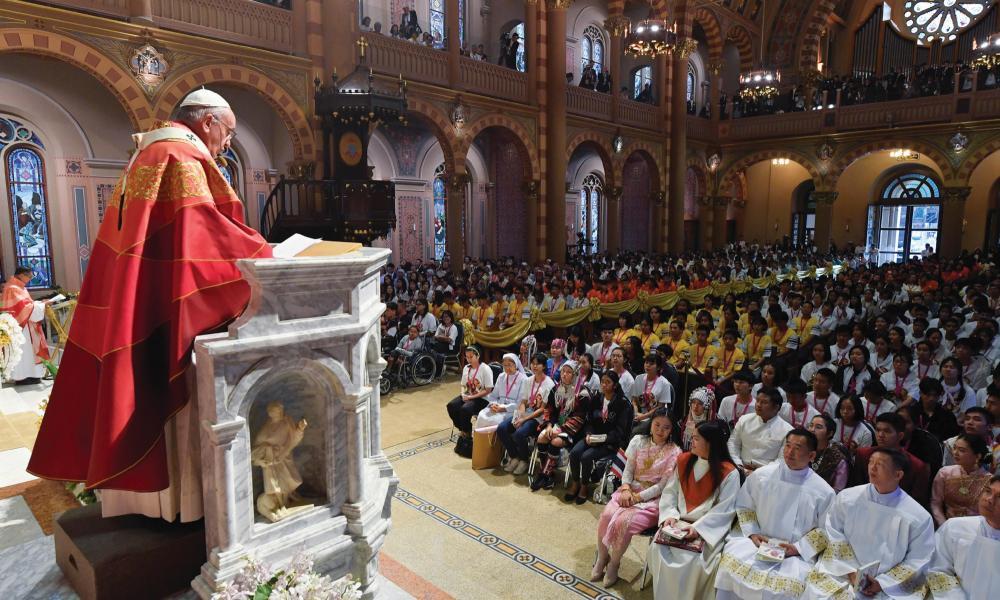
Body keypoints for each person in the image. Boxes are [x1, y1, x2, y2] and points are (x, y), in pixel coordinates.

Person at [28, 89, 273, 522]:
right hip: (166, 301)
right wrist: (265, 255)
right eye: (229, 132)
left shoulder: (152, 151)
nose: (229, 142)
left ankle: (147, 504)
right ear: (208, 122)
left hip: (143, 295)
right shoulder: (181, 157)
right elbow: (208, 238)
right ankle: (179, 508)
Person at [715, 429, 836, 600]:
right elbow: (744, 505)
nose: (790, 452)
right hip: (756, 543)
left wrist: (798, 548)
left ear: (811, 455)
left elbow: (826, 530)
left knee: (785, 589)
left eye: (797, 448)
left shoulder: (823, 491)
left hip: (794, 554)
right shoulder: (762, 475)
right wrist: (753, 533)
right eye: (787, 446)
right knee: (730, 569)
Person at [806, 448, 935, 599]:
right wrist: (850, 570)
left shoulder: (918, 516)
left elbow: (919, 558)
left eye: (880, 464)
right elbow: (833, 531)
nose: (872, 468)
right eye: (871, 462)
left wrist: (882, 583)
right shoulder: (848, 498)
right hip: (842, 571)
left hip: (887, 584)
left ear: (898, 474)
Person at [648, 419, 740, 600]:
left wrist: (697, 529)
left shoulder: (729, 473)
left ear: (711, 443)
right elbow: (670, 493)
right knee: (658, 549)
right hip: (676, 524)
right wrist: (669, 516)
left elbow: (724, 511)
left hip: (705, 531)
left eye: (697, 438)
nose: (691, 441)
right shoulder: (684, 461)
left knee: (693, 562)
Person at [593, 409, 681, 586]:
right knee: (607, 515)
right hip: (628, 490)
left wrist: (638, 498)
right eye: (657, 425)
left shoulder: (675, 452)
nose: (660, 430)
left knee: (622, 522)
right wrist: (625, 488)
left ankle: (614, 565)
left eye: (666, 427)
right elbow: (628, 469)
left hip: (653, 500)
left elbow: (662, 485)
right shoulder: (638, 441)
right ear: (650, 424)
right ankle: (602, 557)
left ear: (671, 430)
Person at [926, 475, 1000, 598]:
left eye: (999, 497)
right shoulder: (955, 528)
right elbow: (937, 569)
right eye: (988, 491)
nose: (989, 499)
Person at [566, 370, 631, 504]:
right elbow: (588, 420)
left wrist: (603, 438)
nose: (604, 385)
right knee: (574, 453)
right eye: (602, 382)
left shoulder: (622, 404)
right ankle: (575, 483)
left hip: (610, 443)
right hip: (592, 437)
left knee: (586, 457)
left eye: (608, 382)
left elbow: (620, 431)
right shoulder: (597, 398)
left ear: (615, 385)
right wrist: (589, 434)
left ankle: (584, 486)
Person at [849, 412, 932, 508]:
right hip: (864, 506)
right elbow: (855, 488)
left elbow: (917, 503)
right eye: (878, 430)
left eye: (887, 431)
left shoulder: (916, 466)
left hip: (899, 513)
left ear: (900, 436)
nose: (880, 435)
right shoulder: (863, 455)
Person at [498, 353, 553, 475]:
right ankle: (514, 456)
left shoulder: (549, 384)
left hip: (538, 418)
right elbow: (523, 401)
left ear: (544, 366)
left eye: (537, 364)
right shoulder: (529, 380)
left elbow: (542, 409)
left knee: (519, 434)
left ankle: (524, 460)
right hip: (525, 414)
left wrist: (524, 419)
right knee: (502, 428)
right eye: (532, 363)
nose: (534, 366)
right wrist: (520, 415)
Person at [0, 266, 52, 384]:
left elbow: (28, 305)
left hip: (25, 324)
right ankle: (23, 377)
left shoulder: (19, 287)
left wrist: (39, 303)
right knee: (24, 352)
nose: (30, 279)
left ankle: (32, 375)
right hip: (20, 326)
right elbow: (25, 308)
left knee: (28, 352)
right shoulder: (13, 288)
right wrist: (43, 305)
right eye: (29, 276)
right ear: (21, 274)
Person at [930, 433, 993, 527]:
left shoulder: (990, 480)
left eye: (962, 450)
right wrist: (944, 525)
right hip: (948, 526)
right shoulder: (945, 473)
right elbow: (935, 503)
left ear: (977, 456)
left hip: (977, 529)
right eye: (954, 448)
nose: (955, 453)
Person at [728, 387, 794, 472]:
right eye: (758, 400)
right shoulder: (744, 420)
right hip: (740, 469)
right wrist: (738, 465)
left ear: (776, 407)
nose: (758, 405)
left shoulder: (787, 431)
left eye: (764, 402)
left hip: (767, 474)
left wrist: (758, 473)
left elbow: (782, 460)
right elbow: (733, 444)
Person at [446, 346, 495, 457]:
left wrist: (471, 398)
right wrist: (463, 394)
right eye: (467, 357)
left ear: (478, 356)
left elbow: (488, 390)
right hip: (469, 395)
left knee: (465, 409)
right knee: (451, 406)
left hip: (482, 398)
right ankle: (464, 429)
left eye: (471, 357)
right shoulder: (466, 368)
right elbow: (463, 385)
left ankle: (466, 432)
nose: (468, 359)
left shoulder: (485, 369)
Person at [474, 353, 525, 430]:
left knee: (495, 420)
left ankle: (495, 441)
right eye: (505, 365)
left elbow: (520, 403)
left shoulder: (523, 379)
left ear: (516, 365)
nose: (507, 368)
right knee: (482, 416)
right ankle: (481, 441)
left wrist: (504, 408)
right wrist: (493, 404)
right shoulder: (501, 376)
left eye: (509, 365)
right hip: (498, 406)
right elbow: (493, 396)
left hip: (512, 410)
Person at [630, 353, 674, 435]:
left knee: (635, 431)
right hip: (639, 414)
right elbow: (634, 401)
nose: (647, 366)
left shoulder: (664, 383)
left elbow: (660, 407)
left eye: (651, 364)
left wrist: (644, 416)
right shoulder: (638, 378)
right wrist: (635, 414)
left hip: (655, 417)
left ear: (659, 367)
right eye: (646, 363)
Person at [808, 413, 850, 492]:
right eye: (811, 425)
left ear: (830, 433)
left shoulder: (838, 458)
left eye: (818, 427)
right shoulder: (804, 449)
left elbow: (837, 490)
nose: (812, 429)